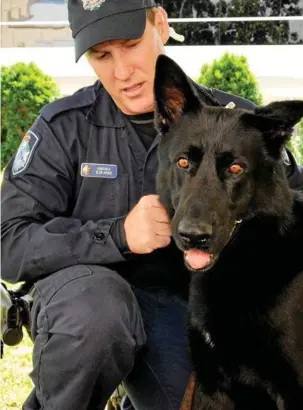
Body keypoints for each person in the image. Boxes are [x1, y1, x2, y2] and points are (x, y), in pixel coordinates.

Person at [1, 1, 302, 409]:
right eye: (101, 55)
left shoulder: (235, 125)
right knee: (95, 315)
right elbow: (8, 242)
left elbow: (288, 213)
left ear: (160, 23)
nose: (122, 72)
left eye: (130, 44)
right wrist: (118, 234)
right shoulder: (63, 130)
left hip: (187, 309)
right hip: (89, 302)